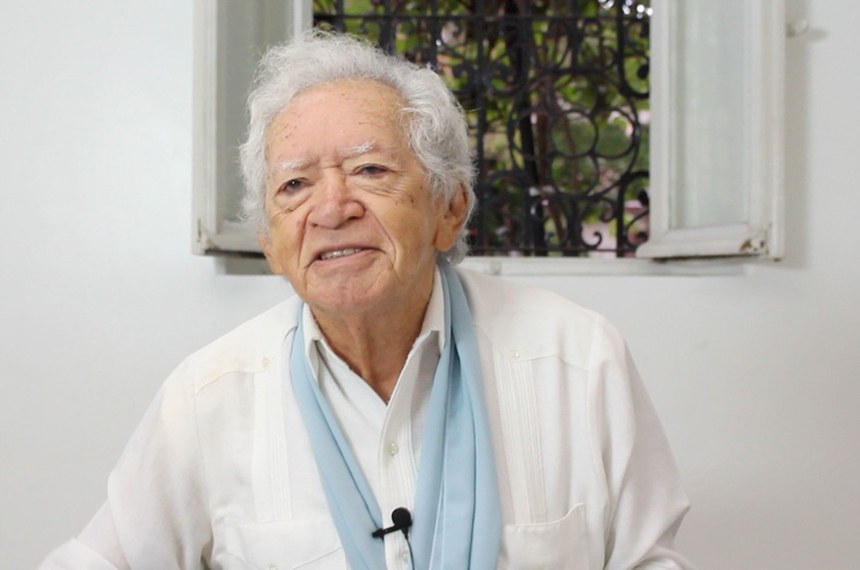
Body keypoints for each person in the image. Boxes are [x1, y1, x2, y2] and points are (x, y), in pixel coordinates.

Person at [41, 29, 692, 569]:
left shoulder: (578, 361)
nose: (332, 209)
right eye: (295, 185)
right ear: (270, 244)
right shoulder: (208, 397)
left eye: (369, 170)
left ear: (449, 208)